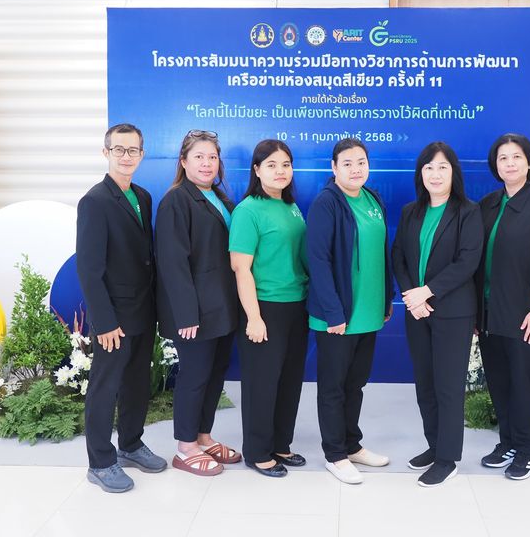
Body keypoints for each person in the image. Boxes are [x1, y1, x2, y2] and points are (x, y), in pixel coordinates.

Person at [76, 123, 167, 493]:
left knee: (136, 382)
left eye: (133, 150)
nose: (126, 156)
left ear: (142, 155)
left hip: (142, 309)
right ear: (106, 153)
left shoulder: (142, 196)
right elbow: (89, 269)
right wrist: (104, 322)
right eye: (119, 150)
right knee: (105, 386)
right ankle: (100, 462)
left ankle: (130, 444)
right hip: (114, 316)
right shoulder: (95, 201)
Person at [392, 142, 484, 487]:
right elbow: (398, 256)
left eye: (442, 167)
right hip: (417, 311)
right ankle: (434, 446)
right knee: (425, 385)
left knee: (447, 387)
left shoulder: (468, 212)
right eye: (428, 167)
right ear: (421, 174)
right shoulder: (410, 212)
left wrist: (427, 291)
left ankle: (448, 459)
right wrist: (412, 297)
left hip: (453, 312)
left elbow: (467, 261)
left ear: (453, 172)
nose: (435, 174)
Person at [474, 133, 530, 480]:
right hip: (489, 311)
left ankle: (527, 450)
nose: (509, 163)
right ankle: (508, 442)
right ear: (495, 166)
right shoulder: (487, 205)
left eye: (516, 157)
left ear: (529, 163)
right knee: (499, 380)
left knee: (523, 382)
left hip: (526, 313)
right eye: (503, 158)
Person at [306, 138, 394, 485]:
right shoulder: (326, 203)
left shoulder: (373, 199)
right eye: (347, 163)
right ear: (334, 167)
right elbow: (318, 260)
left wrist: (385, 300)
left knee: (355, 384)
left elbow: (381, 254)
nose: (356, 169)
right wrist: (333, 312)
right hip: (337, 316)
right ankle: (335, 454)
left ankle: (351, 444)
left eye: (361, 162)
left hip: (368, 313)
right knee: (333, 386)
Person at [155, 129, 242, 477]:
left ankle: (203, 437)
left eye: (212, 157)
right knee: (194, 376)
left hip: (223, 306)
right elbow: (172, 262)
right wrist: (185, 313)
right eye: (199, 157)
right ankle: (185, 447)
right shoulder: (176, 201)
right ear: (183, 161)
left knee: (215, 374)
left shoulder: (220, 198)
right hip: (195, 311)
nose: (207, 163)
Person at [229, 139, 309, 478]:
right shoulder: (248, 210)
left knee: (289, 380)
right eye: (272, 165)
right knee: (262, 383)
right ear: (257, 170)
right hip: (264, 307)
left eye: (286, 165)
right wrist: (254, 317)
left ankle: (280, 444)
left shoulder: (291, 207)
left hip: (296, 305)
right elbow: (240, 268)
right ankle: (258, 452)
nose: (280, 171)